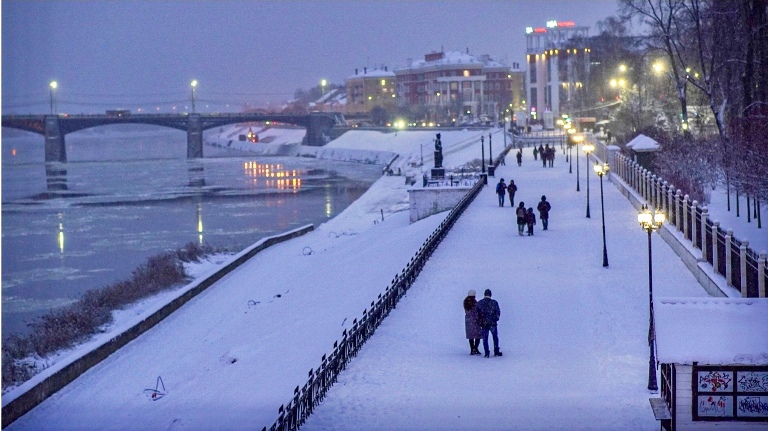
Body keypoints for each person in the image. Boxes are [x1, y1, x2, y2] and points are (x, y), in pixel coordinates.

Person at [476, 289, 502, 357]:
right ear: (490, 295)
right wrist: (496, 318)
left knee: (485, 339)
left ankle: (487, 352)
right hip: (492, 323)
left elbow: (477, 314)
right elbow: (498, 312)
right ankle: (496, 351)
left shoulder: (479, 303)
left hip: (484, 324)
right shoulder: (494, 302)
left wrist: (480, 321)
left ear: (484, 294)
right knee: (495, 337)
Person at [463, 290, 482, 355]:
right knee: (478, 335)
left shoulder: (466, 302)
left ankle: (472, 349)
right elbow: (476, 311)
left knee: (471, 336)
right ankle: (476, 348)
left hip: (468, 321)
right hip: (475, 321)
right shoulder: (474, 302)